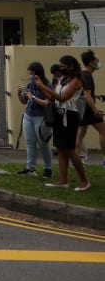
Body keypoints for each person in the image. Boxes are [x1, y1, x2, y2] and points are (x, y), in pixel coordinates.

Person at [35, 55, 90, 191]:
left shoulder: (77, 81)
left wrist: (44, 86)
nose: (61, 68)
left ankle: (84, 180)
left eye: (63, 66)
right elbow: (52, 97)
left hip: (70, 116)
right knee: (60, 148)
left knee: (70, 150)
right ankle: (63, 180)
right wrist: (41, 87)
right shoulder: (62, 80)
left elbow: (63, 97)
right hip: (59, 115)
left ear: (71, 66)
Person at [15, 62, 52, 178]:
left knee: (43, 143)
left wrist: (34, 97)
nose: (30, 75)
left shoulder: (47, 85)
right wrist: (19, 94)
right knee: (30, 143)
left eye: (32, 73)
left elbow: (47, 103)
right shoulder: (30, 85)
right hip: (28, 115)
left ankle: (48, 168)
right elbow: (24, 101)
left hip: (40, 117)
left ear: (38, 73)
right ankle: (30, 168)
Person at [75, 49, 105, 166]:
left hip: (82, 108)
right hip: (88, 109)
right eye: (97, 60)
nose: (99, 62)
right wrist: (95, 111)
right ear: (91, 62)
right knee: (103, 131)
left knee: (81, 132)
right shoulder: (87, 76)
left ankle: (76, 159)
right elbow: (87, 95)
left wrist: (96, 96)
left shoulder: (83, 74)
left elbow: (85, 93)